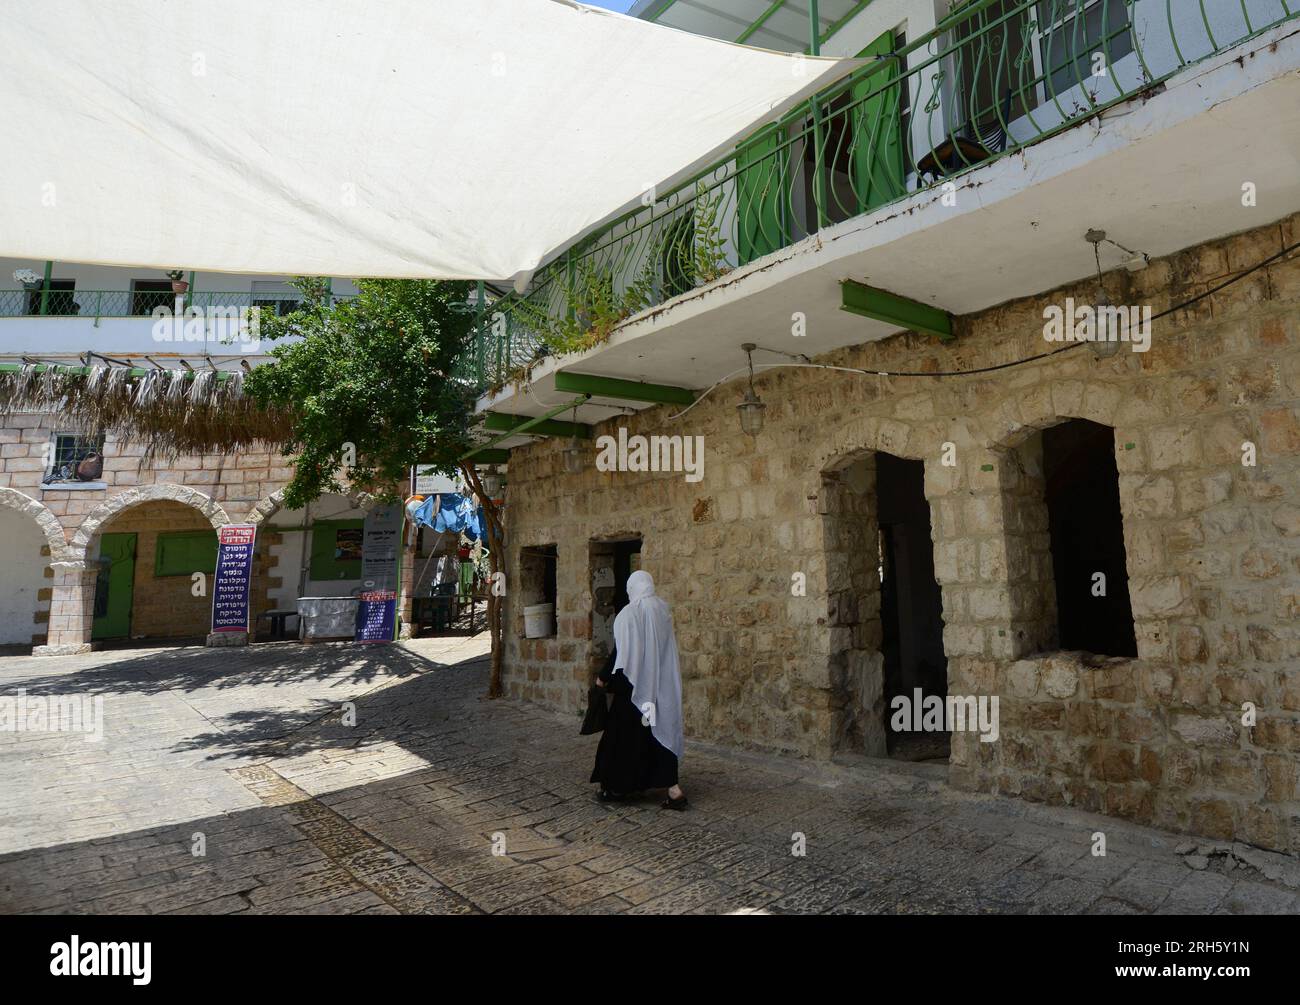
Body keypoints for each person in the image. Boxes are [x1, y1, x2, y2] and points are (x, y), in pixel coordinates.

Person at [590, 570, 687, 810]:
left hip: (634, 688)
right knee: (659, 733)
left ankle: (617, 788)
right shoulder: (662, 609)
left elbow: (620, 655)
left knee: (622, 738)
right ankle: (674, 791)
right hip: (660, 686)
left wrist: (602, 679)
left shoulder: (628, 614)